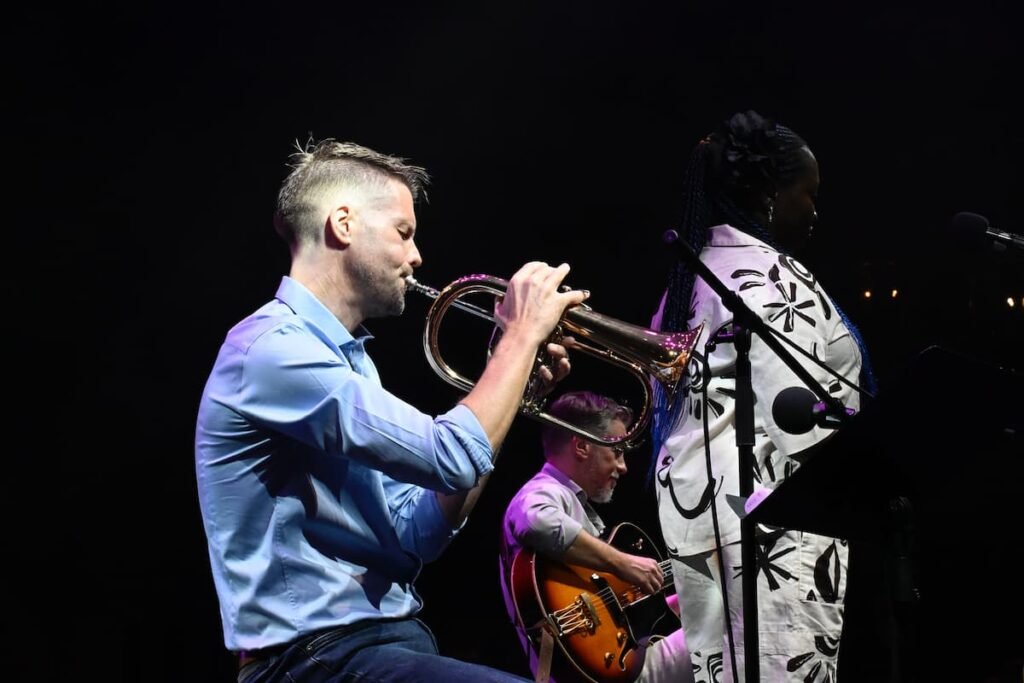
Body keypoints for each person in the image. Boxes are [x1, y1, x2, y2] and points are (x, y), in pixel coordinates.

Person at [195, 138, 589, 683]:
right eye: (403, 233)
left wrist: (513, 384)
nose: (417, 256)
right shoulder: (272, 350)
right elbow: (451, 456)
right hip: (310, 661)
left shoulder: (351, 362)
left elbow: (417, 530)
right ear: (343, 224)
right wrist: (521, 337)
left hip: (380, 643)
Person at [648, 110, 874, 682]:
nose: (816, 212)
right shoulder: (768, 279)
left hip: (699, 516)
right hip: (770, 517)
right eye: (810, 194)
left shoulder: (687, 283)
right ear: (773, 193)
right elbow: (798, 418)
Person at [501, 391, 695, 683]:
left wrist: (686, 595)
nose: (623, 466)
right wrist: (621, 563)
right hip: (604, 672)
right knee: (734, 622)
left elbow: (615, 611)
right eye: (616, 452)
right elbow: (535, 520)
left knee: (717, 608)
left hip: (615, 660)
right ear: (581, 446)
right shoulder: (546, 491)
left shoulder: (575, 506)